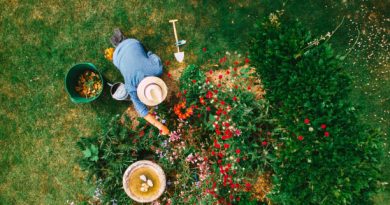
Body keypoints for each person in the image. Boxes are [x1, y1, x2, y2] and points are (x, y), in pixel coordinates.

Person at [110, 28, 170, 135]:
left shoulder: (157, 69)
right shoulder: (130, 87)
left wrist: (161, 126)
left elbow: (151, 54)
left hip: (131, 45)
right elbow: (141, 110)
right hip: (118, 56)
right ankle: (122, 44)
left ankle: (122, 43)